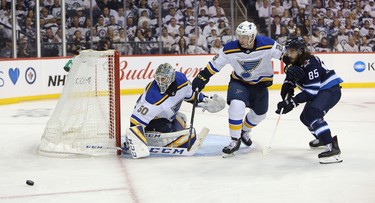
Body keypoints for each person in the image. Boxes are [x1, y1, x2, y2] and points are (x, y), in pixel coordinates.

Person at [191, 21, 285, 157]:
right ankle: (234, 140)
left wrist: (290, 66)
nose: (241, 39)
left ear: (252, 37)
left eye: (244, 37)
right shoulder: (230, 48)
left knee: (260, 115)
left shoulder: (267, 44)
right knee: (236, 106)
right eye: (239, 36)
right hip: (239, 83)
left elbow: (286, 56)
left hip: (260, 85)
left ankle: (244, 131)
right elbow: (215, 64)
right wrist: (203, 76)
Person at [276, 37, 343, 164]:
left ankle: (332, 148)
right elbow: (291, 74)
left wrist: (292, 102)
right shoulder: (291, 59)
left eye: (292, 51)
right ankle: (322, 138)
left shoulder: (311, 63)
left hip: (329, 90)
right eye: (288, 51)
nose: (289, 54)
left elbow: (312, 92)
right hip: (320, 91)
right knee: (305, 118)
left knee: (313, 113)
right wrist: (288, 85)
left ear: (301, 51)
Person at [129, 63, 225, 149]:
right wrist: (137, 144)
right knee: (189, 139)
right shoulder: (153, 96)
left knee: (182, 119)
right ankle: (153, 138)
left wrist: (204, 100)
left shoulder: (181, 80)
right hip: (152, 121)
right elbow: (136, 121)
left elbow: (190, 95)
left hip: (167, 117)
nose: (160, 82)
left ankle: (163, 138)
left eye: (163, 79)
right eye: (158, 78)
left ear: (171, 78)